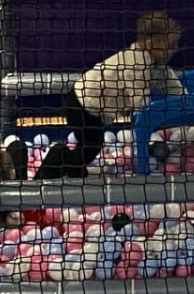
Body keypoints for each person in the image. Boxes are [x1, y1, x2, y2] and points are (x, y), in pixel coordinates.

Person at [35, 11, 185, 179]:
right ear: (151, 43)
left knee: (90, 146)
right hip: (82, 103)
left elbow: (169, 82)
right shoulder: (136, 62)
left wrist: (187, 100)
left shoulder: (157, 65)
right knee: (92, 145)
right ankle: (59, 162)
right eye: (171, 45)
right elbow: (139, 99)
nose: (175, 50)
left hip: (88, 105)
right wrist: (154, 114)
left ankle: (71, 171)